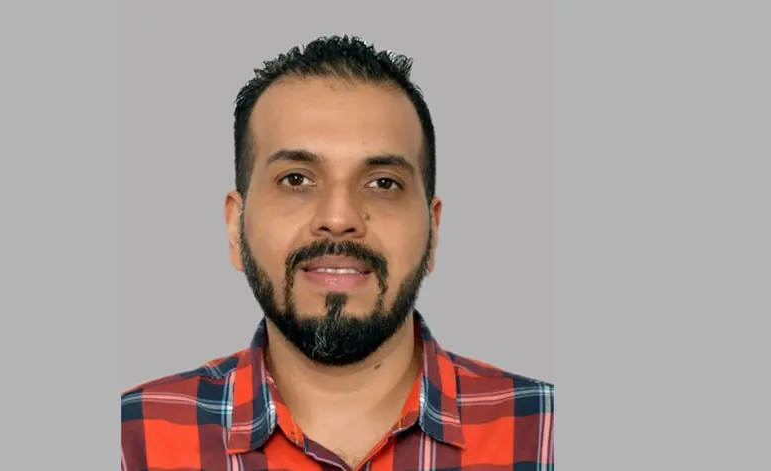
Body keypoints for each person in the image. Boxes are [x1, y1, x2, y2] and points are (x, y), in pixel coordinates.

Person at [121, 35, 554, 471]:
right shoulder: (130, 441)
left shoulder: (549, 435)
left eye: (383, 183)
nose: (338, 217)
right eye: (296, 179)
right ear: (236, 227)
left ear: (433, 229)